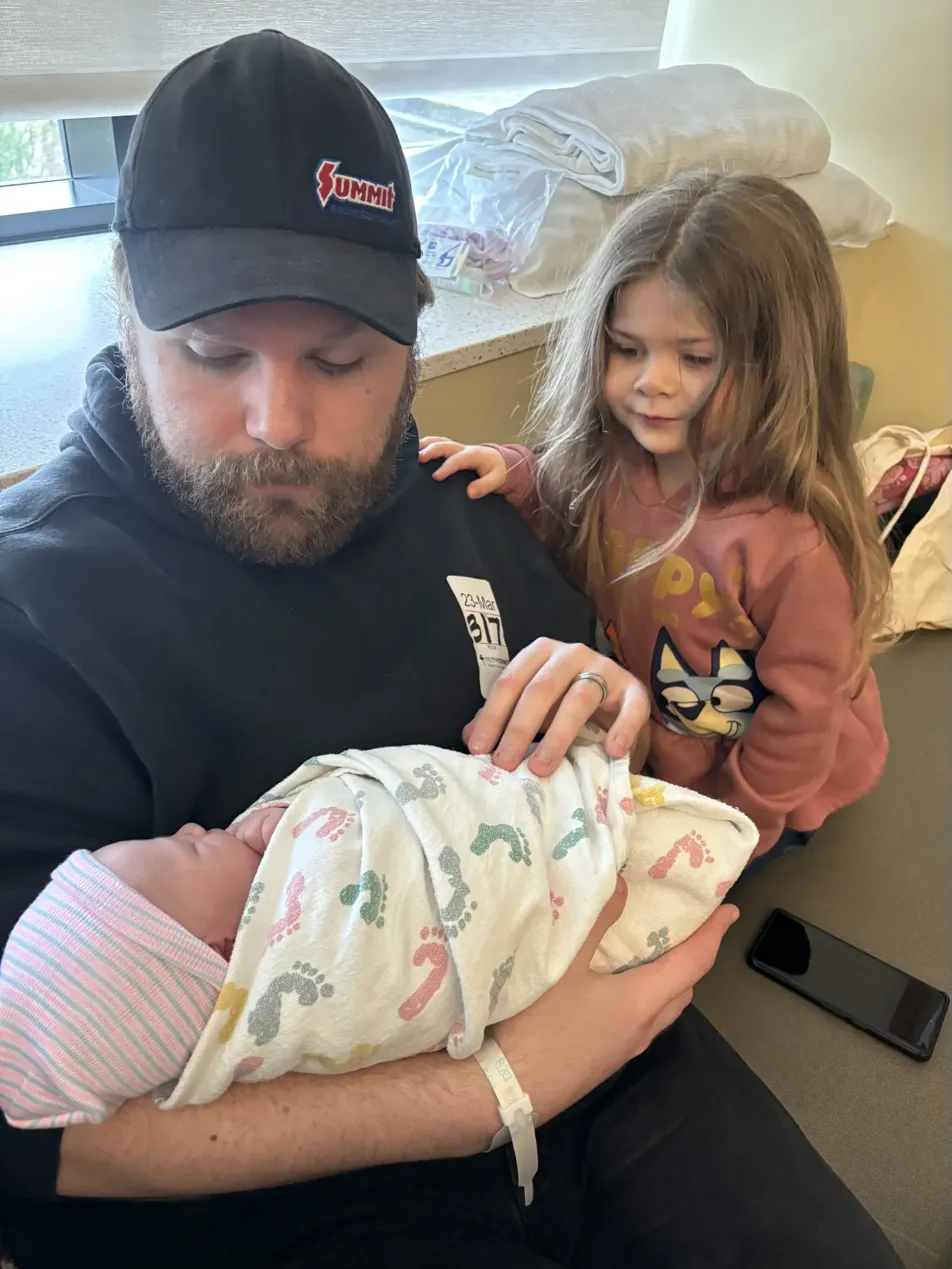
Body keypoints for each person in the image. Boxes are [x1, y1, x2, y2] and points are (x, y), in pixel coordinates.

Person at [0, 30, 900, 1269]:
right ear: (123, 306)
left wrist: (612, 702)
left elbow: (605, 713)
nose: (280, 422)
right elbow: (24, 1130)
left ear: (411, 338)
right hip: (289, 1185)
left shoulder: (453, 497)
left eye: (340, 360)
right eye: (214, 353)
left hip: (599, 1048)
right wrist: (496, 1089)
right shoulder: (33, 619)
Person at [421, 169, 893, 870]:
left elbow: (800, 724)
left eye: (695, 358)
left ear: (778, 365)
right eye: (627, 348)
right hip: (658, 739)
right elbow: (562, 496)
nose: (652, 383)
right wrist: (511, 470)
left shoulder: (796, 547)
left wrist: (734, 827)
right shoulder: (616, 456)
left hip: (763, 785)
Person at [0, 738, 758, 1132]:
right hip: (554, 942)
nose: (195, 827)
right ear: (227, 950)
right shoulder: (313, 940)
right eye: (187, 850)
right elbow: (384, 892)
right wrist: (306, 830)